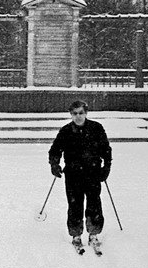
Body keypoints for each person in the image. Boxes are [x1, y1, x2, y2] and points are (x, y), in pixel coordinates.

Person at [48, 100, 112, 253]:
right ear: (71, 114)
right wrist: (54, 164)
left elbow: (106, 149)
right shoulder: (65, 131)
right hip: (73, 174)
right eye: (75, 113)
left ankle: (94, 233)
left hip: (93, 173)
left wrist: (106, 167)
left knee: (94, 203)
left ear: (86, 113)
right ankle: (76, 234)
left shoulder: (96, 128)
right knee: (75, 205)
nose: (78, 116)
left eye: (81, 113)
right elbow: (55, 150)